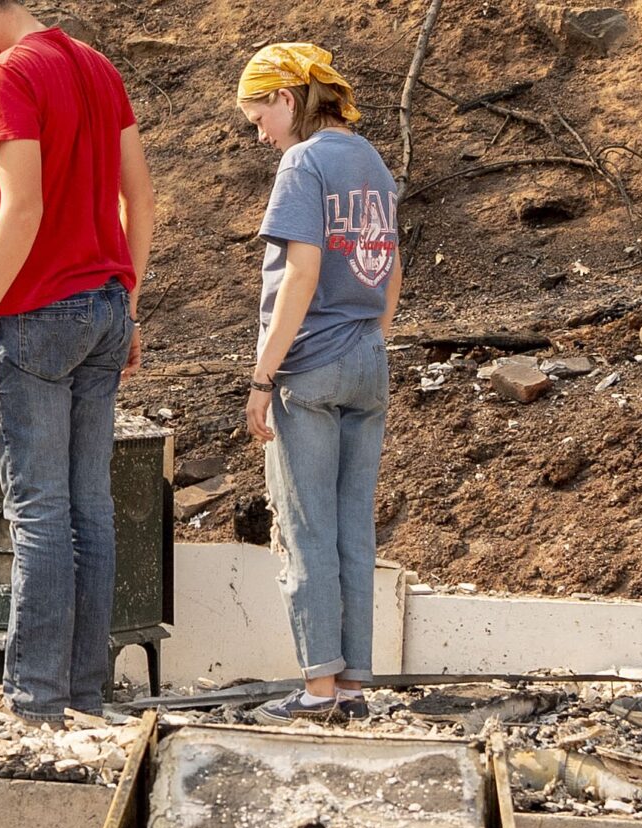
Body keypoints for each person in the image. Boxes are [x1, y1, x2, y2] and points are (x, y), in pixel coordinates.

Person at [0, 0, 156, 727]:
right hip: (104, 308)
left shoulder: (5, 76)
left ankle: (34, 701)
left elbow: (21, 208)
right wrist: (129, 296)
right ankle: (86, 695)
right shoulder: (97, 66)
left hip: (37, 315)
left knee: (39, 513)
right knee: (90, 507)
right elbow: (140, 197)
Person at [237, 44, 400, 724]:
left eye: (258, 116)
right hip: (366, 361)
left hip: (309, 368)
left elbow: (299, 276)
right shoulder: (372, 161)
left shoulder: (301, 163)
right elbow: (392, 268)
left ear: (288, 98)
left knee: (305, 532)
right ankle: (354, 686)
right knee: (352, 528)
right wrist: (373, 336)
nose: (260, 132)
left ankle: (318, 693)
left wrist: (261, 376)